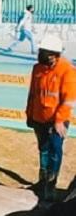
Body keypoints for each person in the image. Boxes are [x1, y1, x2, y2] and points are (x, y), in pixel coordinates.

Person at [25, 35, 76, 202]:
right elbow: (33, 94)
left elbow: (69, 99)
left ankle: (50, 187)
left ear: (55, 54)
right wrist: (29, 114)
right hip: (39, 118)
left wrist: (59, 120)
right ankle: (42, 181)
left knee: (55, 152)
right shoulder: (37, 68)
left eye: (44, 51)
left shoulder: (67, 70)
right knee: (43, 150)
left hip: (57, 121)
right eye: (40, 51)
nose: (40, 54)